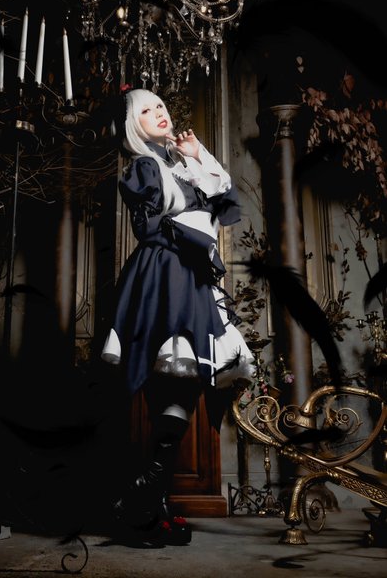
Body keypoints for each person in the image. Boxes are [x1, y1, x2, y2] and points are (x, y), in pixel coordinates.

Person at [96, 87, 254, 544]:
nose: (158, 113)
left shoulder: (180, 163)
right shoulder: (144, 167)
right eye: (146, 110)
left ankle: (146, 502)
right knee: (170, 382)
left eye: (161, 106)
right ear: (134, 126)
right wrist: (194, 227)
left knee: (182, 384)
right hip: (165, 274)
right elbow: (149, 227)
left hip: (189, 276)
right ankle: (145, 503)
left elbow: (226, 205)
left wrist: (197, 155)